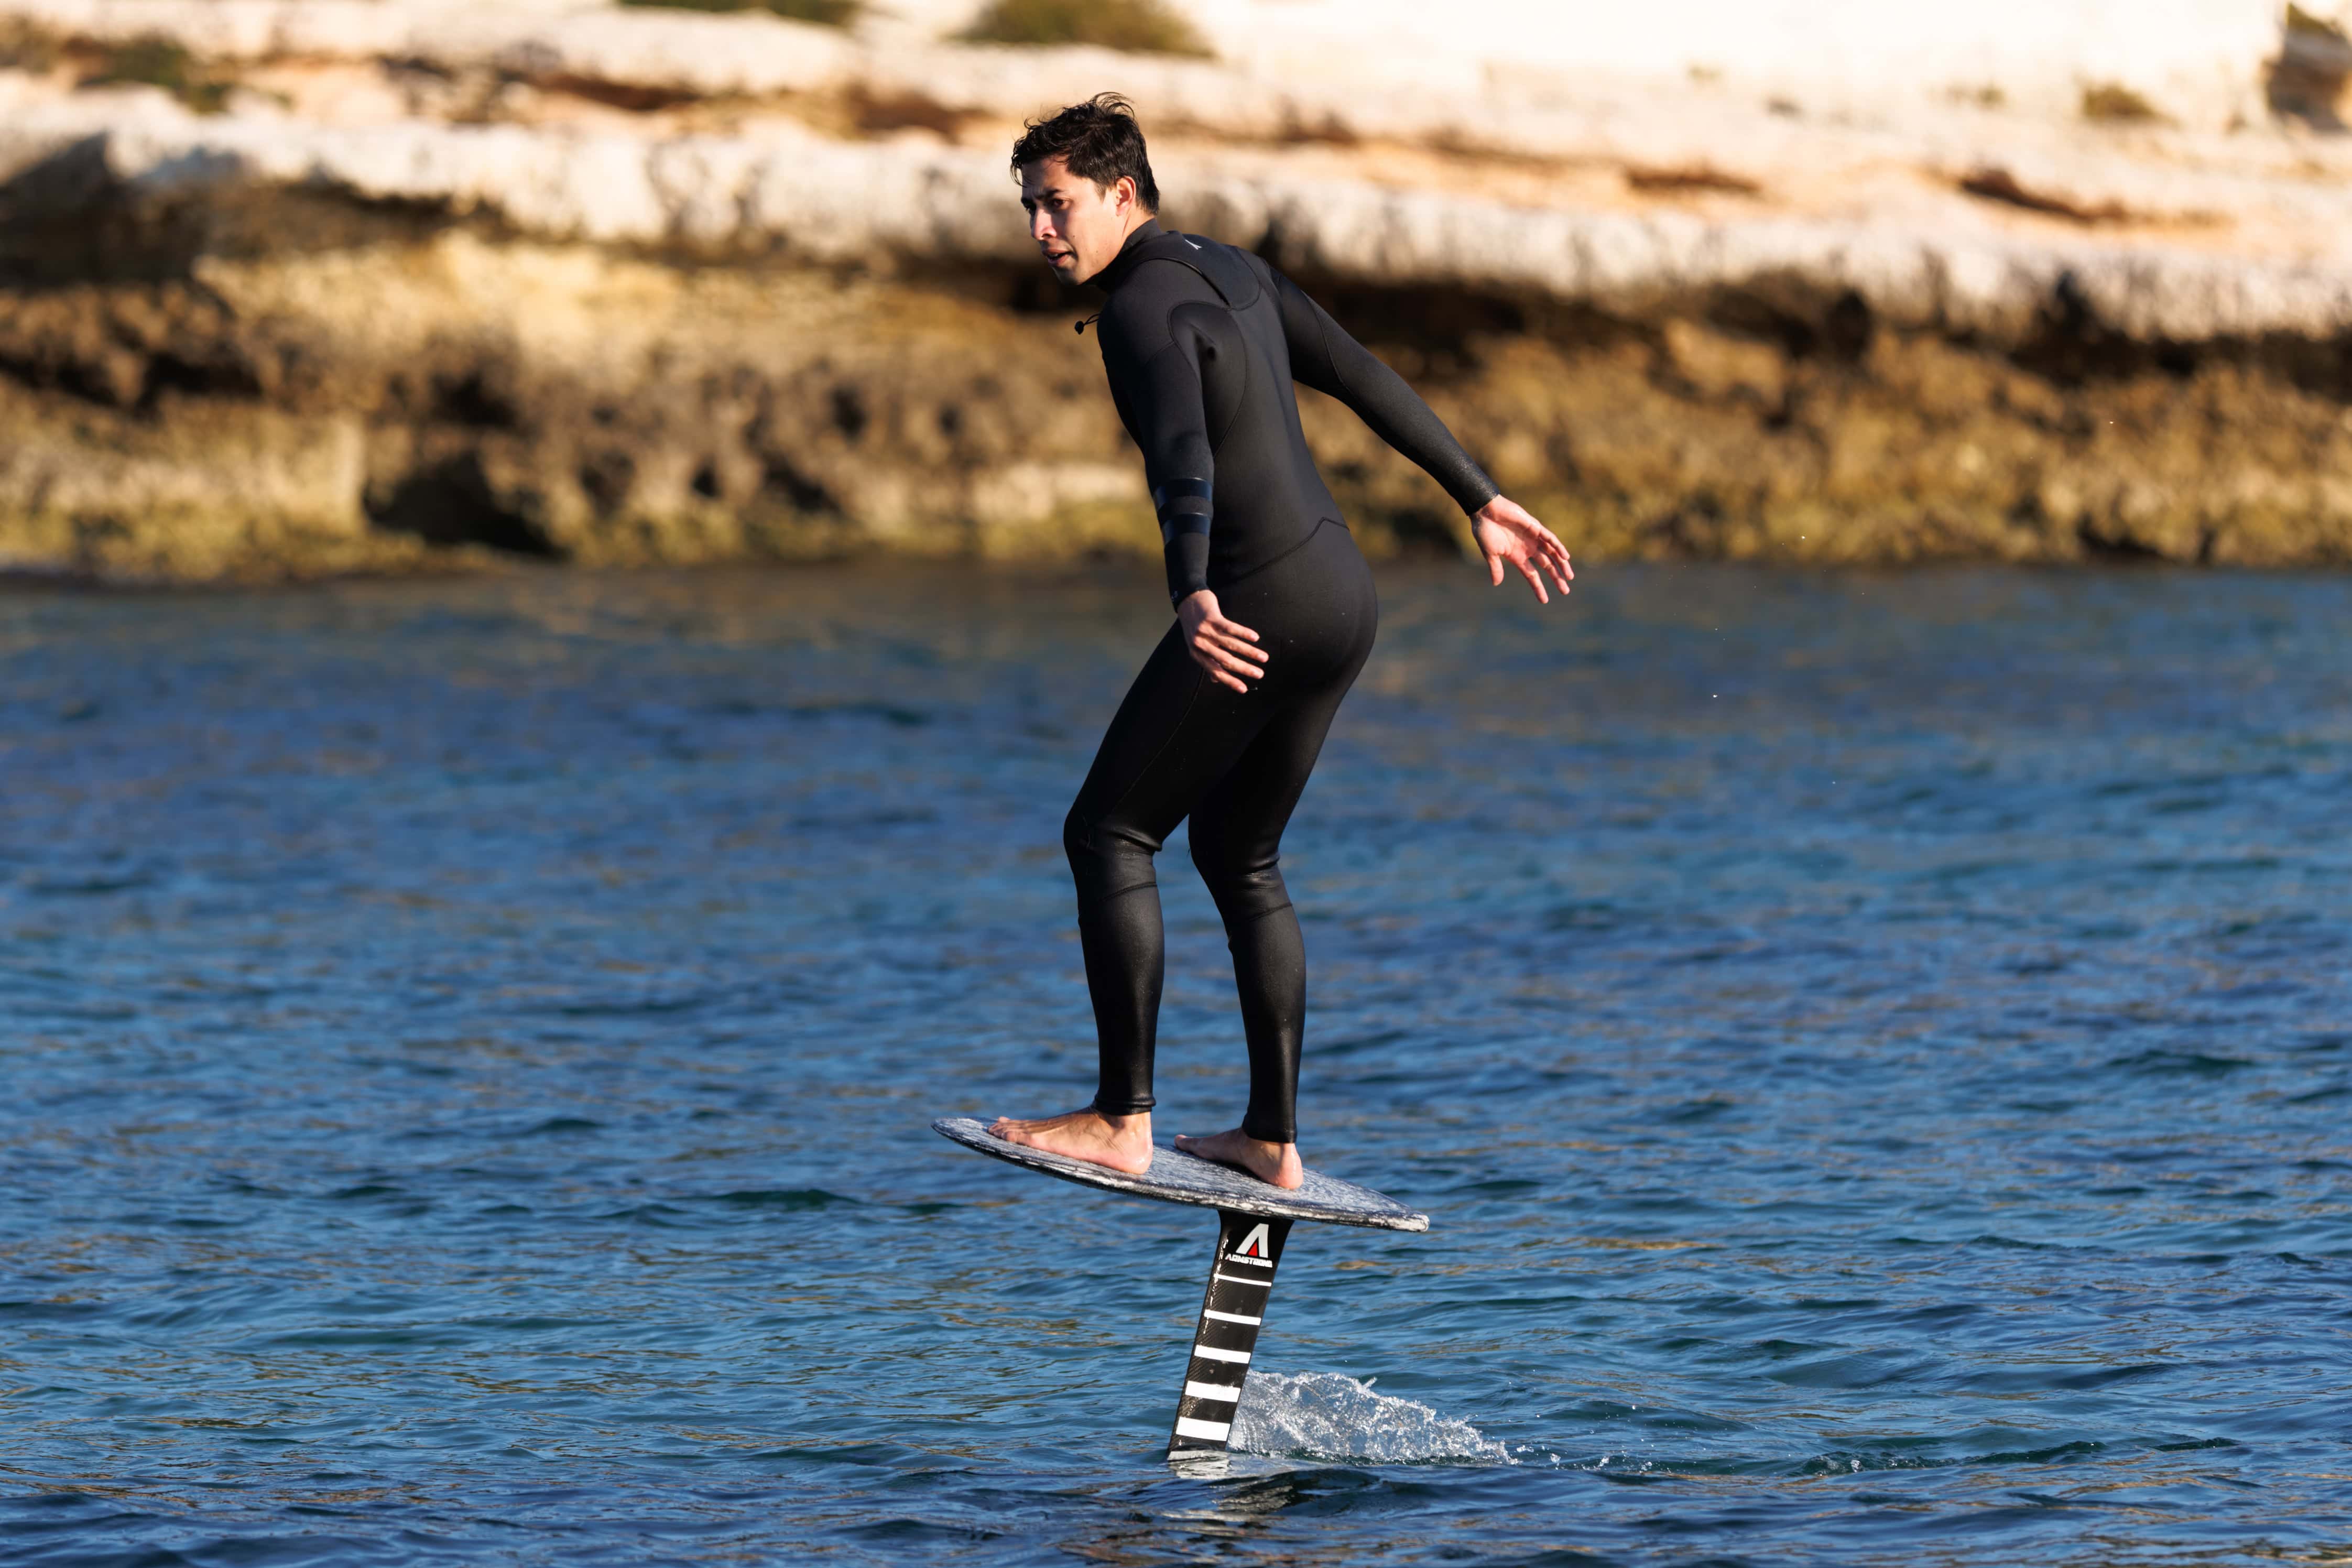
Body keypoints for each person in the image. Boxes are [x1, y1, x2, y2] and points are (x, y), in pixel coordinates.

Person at [989, 94, 1573, 1190]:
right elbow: (1361, 373)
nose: (1041, 231)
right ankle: (1273, 1135)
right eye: (1029, 209)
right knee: (1239, 852)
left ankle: (1122, 1115)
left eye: (1057, 205)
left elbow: (1182, 458)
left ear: (1124, 194)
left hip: (1255, 595)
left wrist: (1193, 590)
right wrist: (1478, 496)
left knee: (1108, 832)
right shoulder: (1237, 270)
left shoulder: (1136, 311)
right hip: (1340, 596)